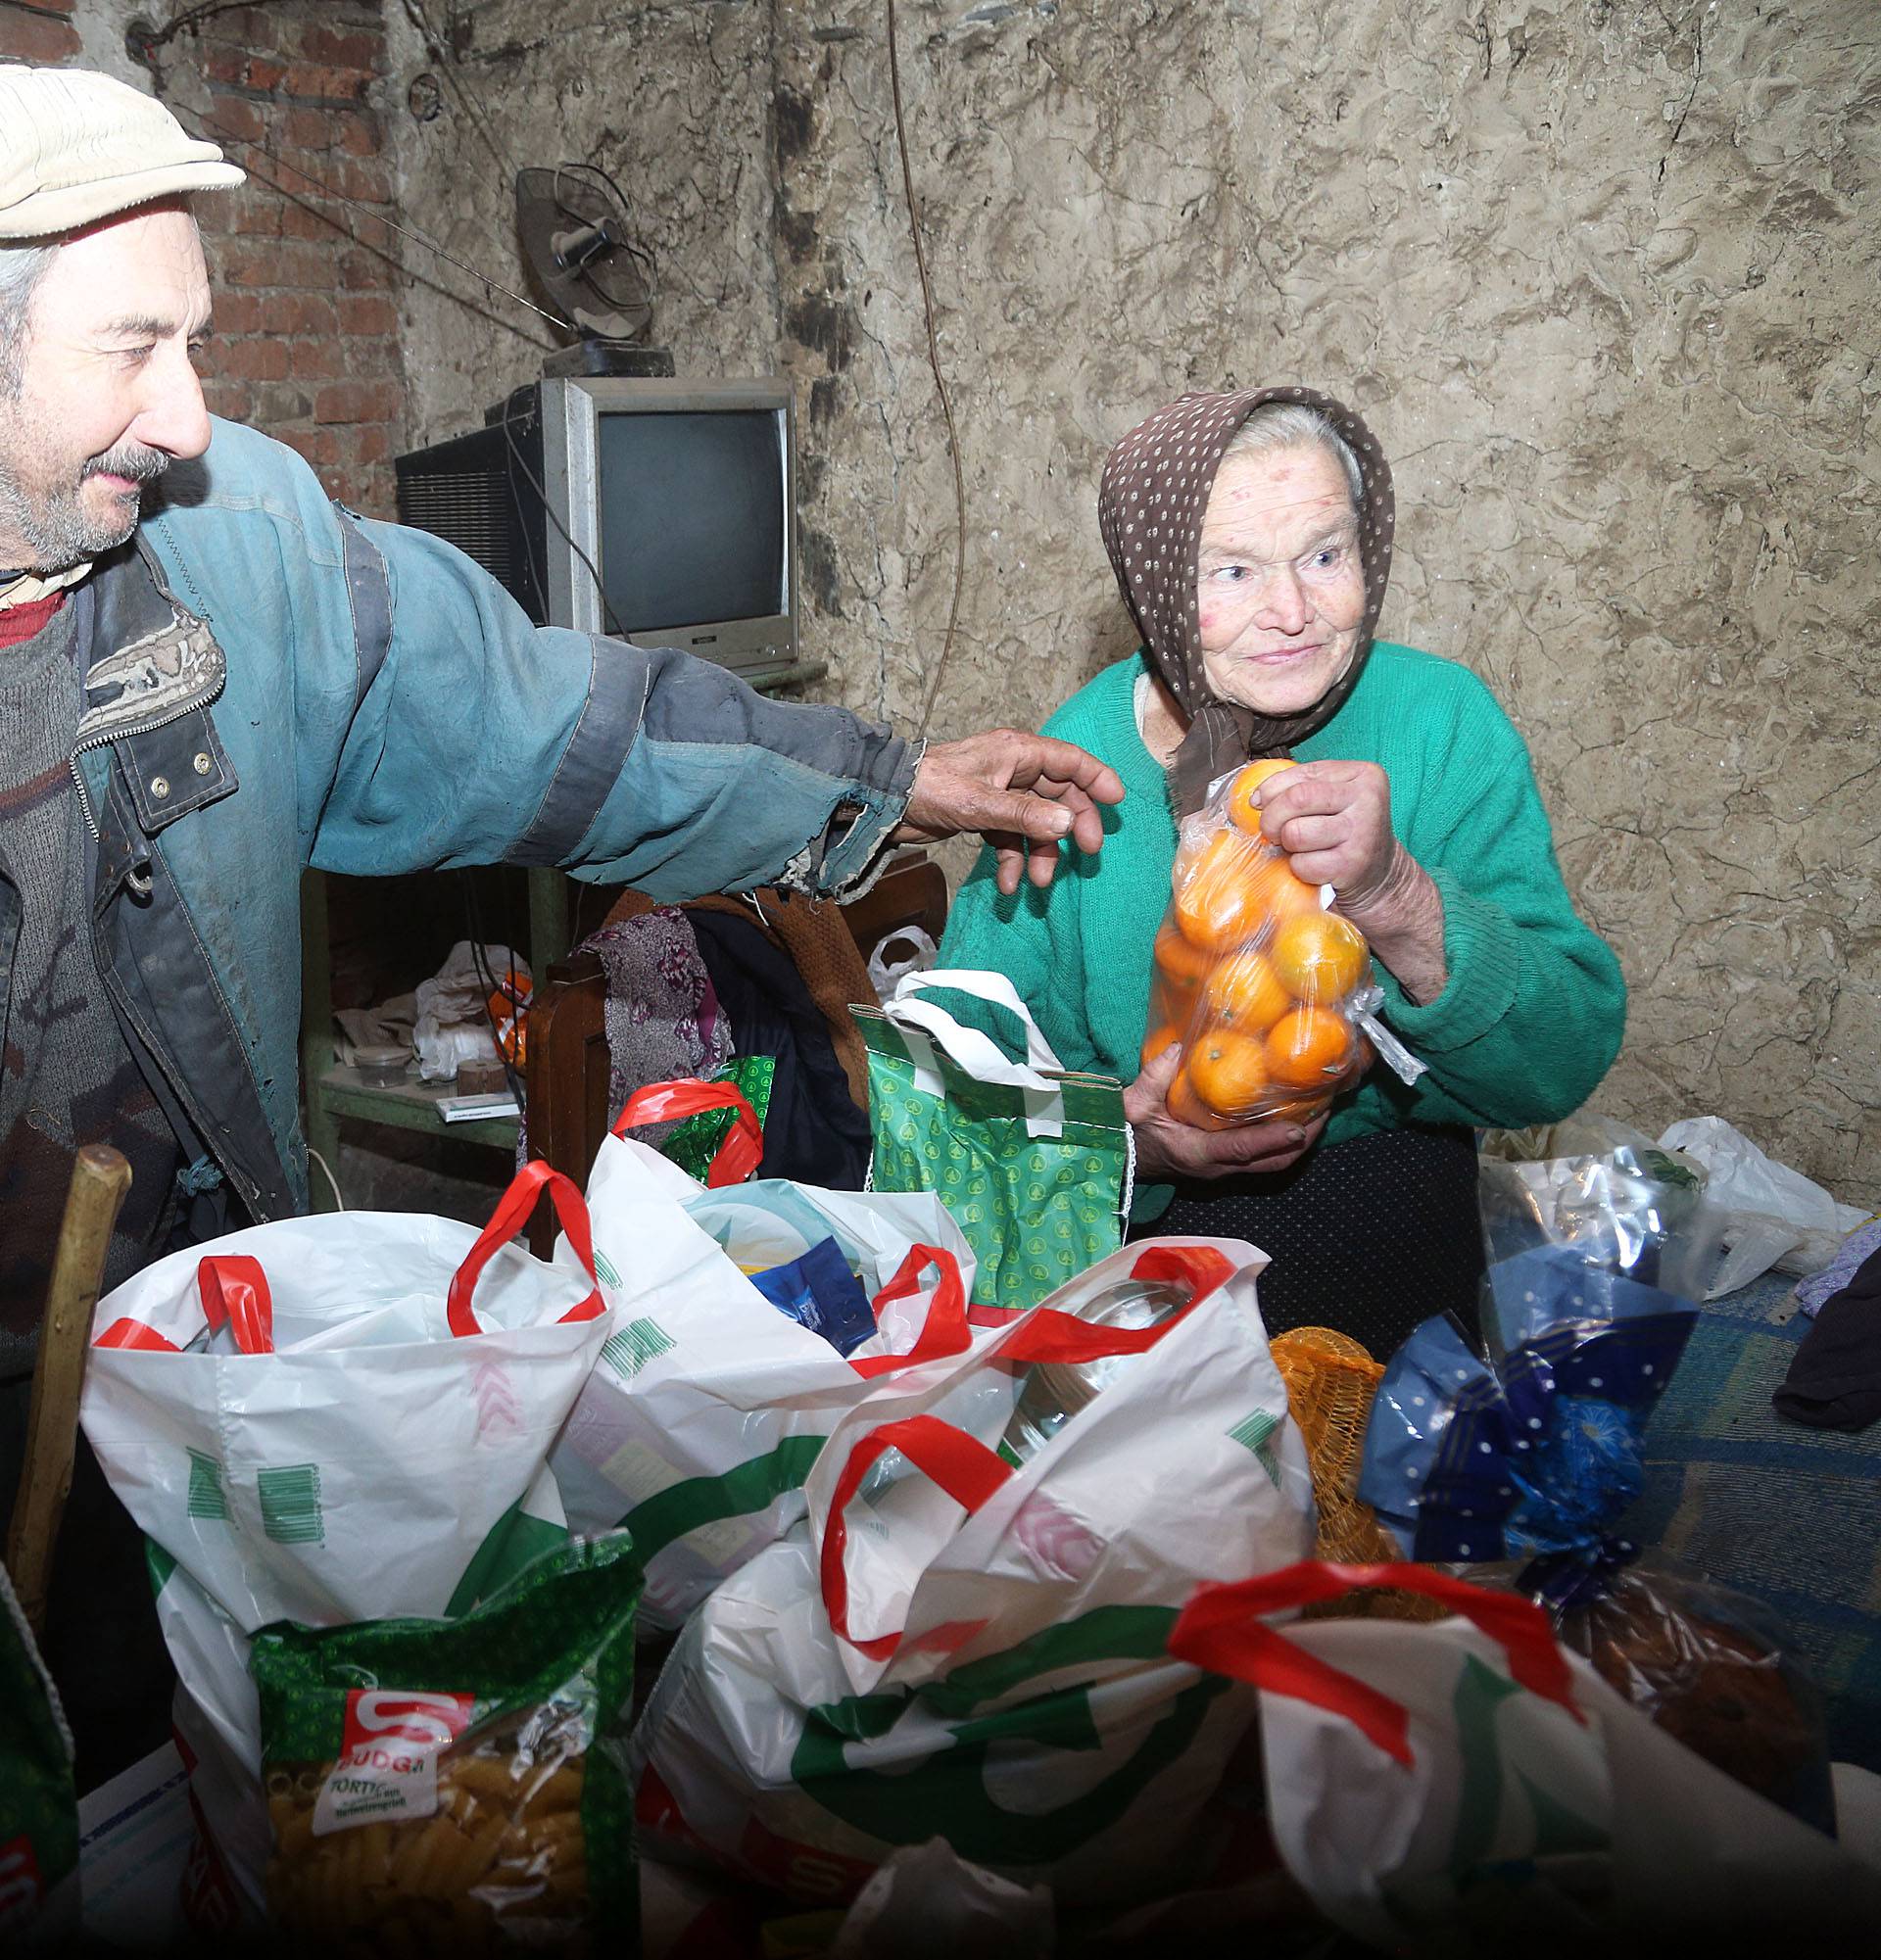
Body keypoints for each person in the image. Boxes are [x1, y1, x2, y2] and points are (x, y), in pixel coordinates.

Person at [0, 65, 1120, 1785]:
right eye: (133, 345)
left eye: (197, 340)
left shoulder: (245, 558)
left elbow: (544, 718)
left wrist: (882, 784)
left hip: (184, 1420)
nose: (192, 418)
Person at [941, 386, 1626, 1354]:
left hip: (1389, 1236)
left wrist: (1397, 894)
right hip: (1137, 1262)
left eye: (1324, 555)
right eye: (1231, 570)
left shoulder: (1441, 724)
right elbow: (964, 1107)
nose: (1293, 612)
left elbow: (1562, 1061)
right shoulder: (1071, 769)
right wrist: (1129, 1141)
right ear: (1153, 579)